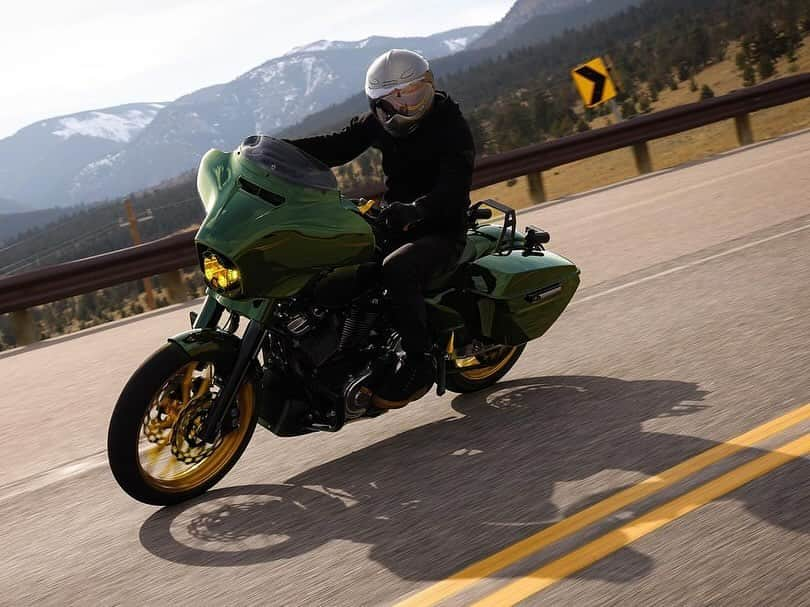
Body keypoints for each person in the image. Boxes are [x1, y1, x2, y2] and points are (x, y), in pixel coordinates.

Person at [288, 49, 475, 409]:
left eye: (413, 93)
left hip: (441, 230)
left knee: (398, 269)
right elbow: (336, 146)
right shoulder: (379, 122)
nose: (404, 105)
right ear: (378, 102)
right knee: (335, 262)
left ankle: (420, 363)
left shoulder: (449, 124)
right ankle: (341, 354)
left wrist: (417, 210)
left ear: (428, 87)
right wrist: (277, 150)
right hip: (394, 221)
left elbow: (454, 188)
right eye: (392, 99)